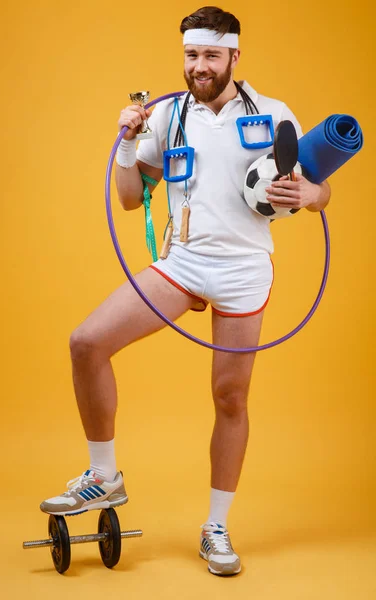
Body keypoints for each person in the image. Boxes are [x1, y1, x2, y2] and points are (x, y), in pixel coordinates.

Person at [40, 6, 331, 577]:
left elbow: (320, 193)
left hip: (246, 270)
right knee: (86, 343)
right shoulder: (166, 117)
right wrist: (126, 143)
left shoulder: (274, 115)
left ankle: (215, 528)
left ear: (234, 57)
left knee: (230, 398)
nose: (199, 66)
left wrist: (310, 198)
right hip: (185, 262)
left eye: (210, 56)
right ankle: (104, 476)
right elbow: (128, 198)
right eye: (191, 55)